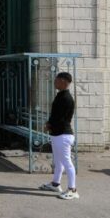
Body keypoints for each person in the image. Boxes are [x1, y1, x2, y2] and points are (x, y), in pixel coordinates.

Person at [39, 72, 78, 200]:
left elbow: (61, 118)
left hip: (63, 135)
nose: (54, 82)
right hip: (58, 134)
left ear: (63, 81)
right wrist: (50, 124)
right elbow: (56, 115)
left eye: (56, 80)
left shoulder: (66, 98)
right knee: (58, 161)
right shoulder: (61, 95)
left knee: (67, 162)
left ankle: (72, 190)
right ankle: (55, 184)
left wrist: (50, 125)